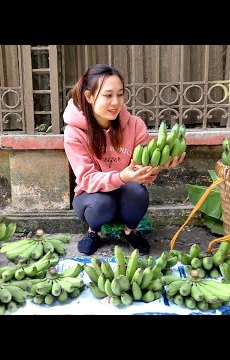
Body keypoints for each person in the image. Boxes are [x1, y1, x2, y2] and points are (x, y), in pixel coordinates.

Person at [63, 64, 186, 256]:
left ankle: (131, 231)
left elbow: (140, 174)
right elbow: (86, 178)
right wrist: (121, 176)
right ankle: (93, 232)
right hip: (91, 198)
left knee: (137, 192)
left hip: (124, 197)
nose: (115, 102)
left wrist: (157, 168)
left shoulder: (135, 125)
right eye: (108, 95)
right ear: (89, 96)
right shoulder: (74, 132)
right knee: (101, 203)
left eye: (120, 95)